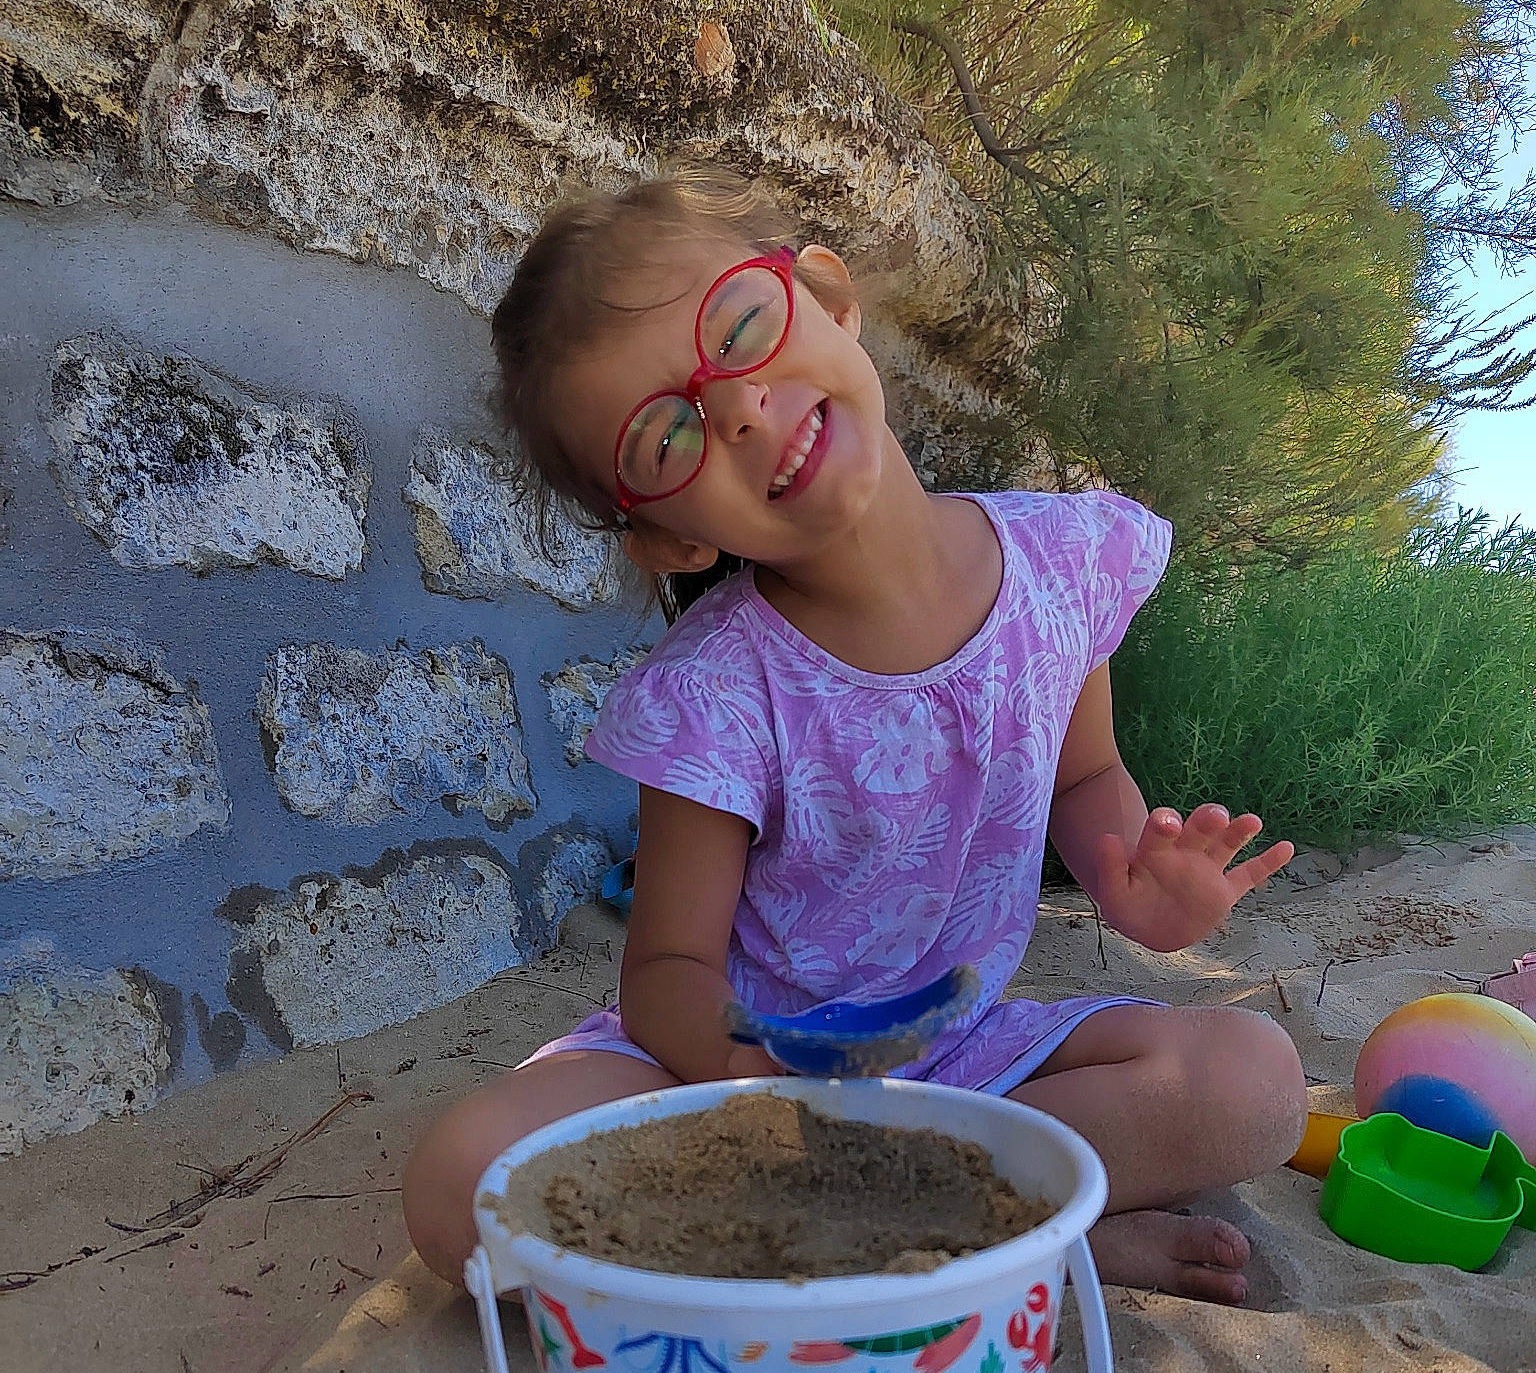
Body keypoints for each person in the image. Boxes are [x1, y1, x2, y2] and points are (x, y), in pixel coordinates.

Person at [403, 169, 1306, 1299]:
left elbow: (1088, 770)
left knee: (1253, 1082)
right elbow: (669, 969)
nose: (734, 409)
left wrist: (1136, 883)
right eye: (665, 437)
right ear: (668, 540)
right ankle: (1012, 1239)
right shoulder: (718, 692)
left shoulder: (1064, 564)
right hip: (741, 1079)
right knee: (462, 1192)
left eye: (738, 327)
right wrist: (761, 1066)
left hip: (956, 1055)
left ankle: (912, 1233)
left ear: (827, 298)